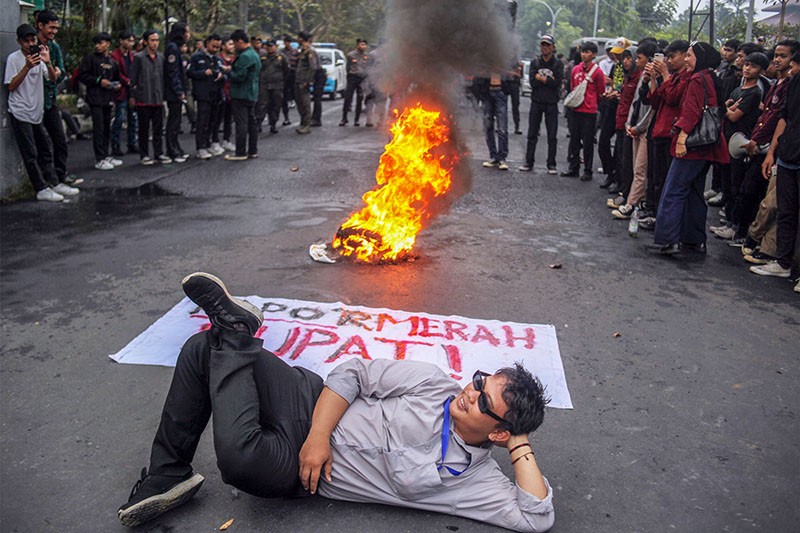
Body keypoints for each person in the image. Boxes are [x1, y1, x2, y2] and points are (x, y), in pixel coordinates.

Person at [117, 273, 554, 531]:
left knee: (238, 459)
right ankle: (168, 473)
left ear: (498, 431)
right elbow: (353, 371)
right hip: (307, 400)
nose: (471, 391)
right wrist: (320, 435)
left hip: (300, 470)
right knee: (201, 349)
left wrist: (519, 443)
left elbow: (536, 517)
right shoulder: (434, 384)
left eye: (483, 400)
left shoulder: (476, 483)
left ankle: (235, 331)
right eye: (480, 381)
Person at [651, 41, 728, 255]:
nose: (686, 59)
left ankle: (668, 239)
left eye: (690, 55)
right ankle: (693, 239)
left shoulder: (696, 79)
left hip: (692, 144)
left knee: (673, 190)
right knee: (695, 191)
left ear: (700, 58)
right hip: (707, 144)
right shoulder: (711, 78)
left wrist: (683, 138)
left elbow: (691, 111)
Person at [5, 24, 78, 201]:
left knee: (45, 148)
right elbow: (11, 85)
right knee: (30, 153)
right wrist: (27, 67)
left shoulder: (40, 58)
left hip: (36, 111)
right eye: (26, 41)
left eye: (33, 40)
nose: (30, 44)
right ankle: (40, 188)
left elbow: (52, 79)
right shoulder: (14, 59)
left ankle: (54, 182)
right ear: (19, 42)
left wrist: (47, 62)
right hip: (20, 111)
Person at [755, 56, 800, 284]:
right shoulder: (793, 84)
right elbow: (784, 118)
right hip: (787, 156)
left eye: (791, 64)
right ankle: (782, 263)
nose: (789, 68)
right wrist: (772, 152)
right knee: (786, 212)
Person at [36, 10, 78, 187]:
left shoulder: (54, 47)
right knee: (41, 144)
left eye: (56, 28)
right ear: (41, 26)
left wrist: (55, 73)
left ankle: (60, 175)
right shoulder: (33, 45)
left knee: (60, 140)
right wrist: (54, 72)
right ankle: (46, 179)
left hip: (50, 100)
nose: (54, 31)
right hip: (35, 101)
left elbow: (61, 73)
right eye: (51, 27)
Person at [78, 32, 123, 171]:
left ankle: (106, 154)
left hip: (108, 99)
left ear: (108, 44)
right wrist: (98, 81)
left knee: (106, 128)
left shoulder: (113, 62)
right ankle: (99, 158)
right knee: (98, 128)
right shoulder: (90, 59)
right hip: (95, 98)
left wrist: (117, 86)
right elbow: (82, 75)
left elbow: (117, 77)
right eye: (96, 43)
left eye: (101, 43)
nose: (98, 46)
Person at [519, 34, 563, 174]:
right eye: (543, 45)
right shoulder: (535, 63)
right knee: (532, 133)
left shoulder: (558, 64)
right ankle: (528, 162)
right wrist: (547, 80)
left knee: (552, 135)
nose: (545, 48)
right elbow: (532, 82)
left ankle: (551, 164)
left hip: (551, 103)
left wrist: (542, 79)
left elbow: (557, 83)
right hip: (536, 102)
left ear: (553, 47)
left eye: (547, 45)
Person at [562, 41, 605, 180]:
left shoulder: (597, 72)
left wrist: (592, 103)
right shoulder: (575, 69)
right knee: (574, 140)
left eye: (587, 52)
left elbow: (601, 91)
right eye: (583, 52)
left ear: (593, 55)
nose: (584, 55)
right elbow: (573, 87)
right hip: (576, 109)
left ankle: (587, 170)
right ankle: (573, 168)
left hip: (589, 112)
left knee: (587, 143)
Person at [129, 29, 170, 165]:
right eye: (152, 40)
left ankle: (158, 153)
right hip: (143, 98)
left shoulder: (161, 57)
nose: (155, 43)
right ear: (146, 41)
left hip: (157, 98)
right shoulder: (139, 57)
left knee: (158, 129)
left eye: (157, 40)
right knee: (144, 129)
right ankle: (144, 154)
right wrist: (132, 96)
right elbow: (133, 79)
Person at [188, 34, 225, 159]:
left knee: (213, 121)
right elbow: (189, 72)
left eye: (218, 47)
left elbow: (223, 72)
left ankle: (209, 143)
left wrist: (221, 75)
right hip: (203, 94)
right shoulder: (197, 57)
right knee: (202, 121)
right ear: (207, 43)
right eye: (214, 46)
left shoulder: (217, 59)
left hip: (216, 93)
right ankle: (200, 147)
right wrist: (203, 73)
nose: (215, 49)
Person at [225, 29, 260, 160]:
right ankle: (252, 150)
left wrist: (229, 72)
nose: (234, 46)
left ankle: (240, 152)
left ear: (240, 41)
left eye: (234, 43)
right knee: (251, 123)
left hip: (241, 93)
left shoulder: (245, 56)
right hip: (252, 93)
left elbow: (240, 76)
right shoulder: (254, 54)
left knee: (241, 124)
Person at [165, 22, 190, 163]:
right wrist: (179, 90)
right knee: (173, 122)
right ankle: (171, 150)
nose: (188, 35)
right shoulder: (172, 48)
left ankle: (176, 147)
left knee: (177, 121)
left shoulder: (175, 48)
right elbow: (172, 72)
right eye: (186, 32)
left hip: (176, 90)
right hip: (173, 92)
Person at [110, 30, 138, 156]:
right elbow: (117, 72)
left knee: (132, 117)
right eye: (128, 40)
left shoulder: (132, 55)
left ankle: (132, 143)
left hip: (130, 90)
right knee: (120, 118)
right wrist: (127, 81)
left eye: (132, 41)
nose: (130, 43)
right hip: (121, 90)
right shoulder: (115, 55)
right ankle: (115, 144)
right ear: (121, 41)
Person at [257, 39, 288, 134]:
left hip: (277, 85)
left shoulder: (281, 57)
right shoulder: (262, 57)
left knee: (275, 105)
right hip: (264, 84)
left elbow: (286, 71)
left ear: (275, 46)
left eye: (272, 46)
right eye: (268, 46)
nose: (270, 48)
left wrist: (282, 81)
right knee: (262, 104)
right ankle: (258, 124)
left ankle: (273, 124)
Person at [211, 38, 235, 153]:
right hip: (221, 92)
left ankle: (226, 140)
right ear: (223, 46)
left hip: (232, 93)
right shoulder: (218, 59)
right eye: (230, 44)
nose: (232, 46)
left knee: (228, 119)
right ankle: (214, 141)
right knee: (217, 118)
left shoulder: (234, 59)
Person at [294, 31, 319, 135]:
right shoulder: (302, 51)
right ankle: (303, 123)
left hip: (304, 81)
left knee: (305, 103)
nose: (297, 39)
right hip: (298, 80)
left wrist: (308, 81)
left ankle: (307, 125)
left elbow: (313, 67)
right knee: (299, 103)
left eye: (298, 38)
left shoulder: (310, 52)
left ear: (302, 39)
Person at [340, 38, 369, 126]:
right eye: (361, 44)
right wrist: (349, 76)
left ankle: (357, 119)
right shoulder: (351, 55)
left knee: (359, 99)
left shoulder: (367, 56)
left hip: (362, 79)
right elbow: (348, 67)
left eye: (364, 44)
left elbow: (368, 67)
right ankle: (344, 118)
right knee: (347, 98)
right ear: (357, 45)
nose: (363, 46)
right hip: (352, 78)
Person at [280, 35, 299, 125]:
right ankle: (286, 117)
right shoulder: (281, 52)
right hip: (284, 76)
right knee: (284, 97)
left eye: (288, 41)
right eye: (285, 41)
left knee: (296, 95)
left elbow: (298, 64)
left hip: (293, 75)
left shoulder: (295, 52)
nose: (287, 43)